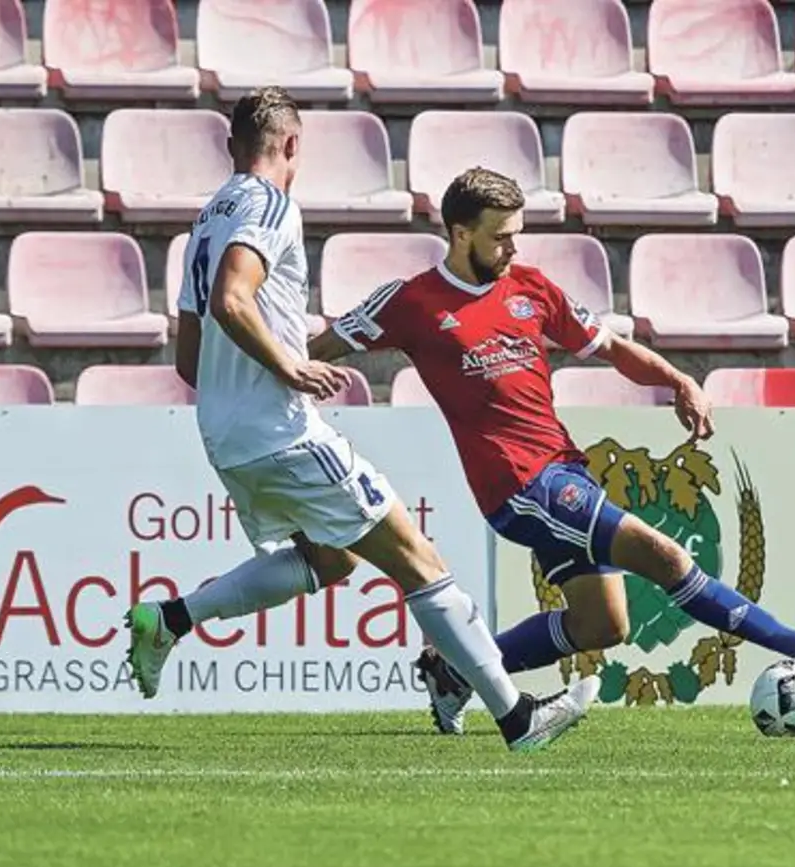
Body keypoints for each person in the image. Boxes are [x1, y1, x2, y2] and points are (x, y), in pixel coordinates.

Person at [308, 167, 795, 735]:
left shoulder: (530, 289)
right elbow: (317, 349)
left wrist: (678, 381)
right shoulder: (412, 302)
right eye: (500, 236)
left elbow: (611, 348)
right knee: (669, 560)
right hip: (519, 485)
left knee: (602, 625)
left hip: (563, 469)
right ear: (459, 234)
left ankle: (454, 673)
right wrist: (276, 387)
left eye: (516, 234)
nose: (512, 247)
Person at [125, 92, 596, 752]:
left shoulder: (206, 220)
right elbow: (234, 299)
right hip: (279, 430)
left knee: (333, 557)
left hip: (225, 434)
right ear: (292, 145)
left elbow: (190, 358)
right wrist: (289, 370)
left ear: (232, 144)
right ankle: (518, 718)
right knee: (419, 561)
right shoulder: (266, 204)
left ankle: (170, 618)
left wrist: (246, 384)